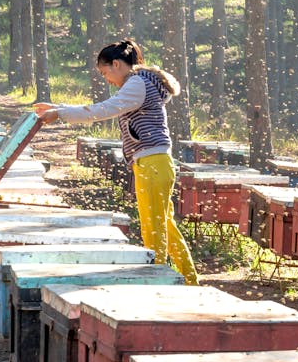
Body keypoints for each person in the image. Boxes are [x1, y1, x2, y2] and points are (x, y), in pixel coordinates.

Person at [33, 39, 199, 287]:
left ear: (117, 64)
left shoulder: (137, 84)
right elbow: (106, 107)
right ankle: (189, 281)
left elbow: (103, 110)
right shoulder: (140, 83)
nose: (107, 79)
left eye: (105, 72)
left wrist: (60, 113)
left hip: (153, 163)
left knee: (153, 229)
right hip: (154, 163)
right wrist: (58, 108)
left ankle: (158, 283)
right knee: (164, 225)